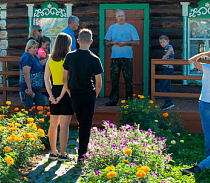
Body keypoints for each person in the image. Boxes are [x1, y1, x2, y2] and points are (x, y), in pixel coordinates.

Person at [63, 29, 103, 162]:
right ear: (91, 41)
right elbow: (99, 83)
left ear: (78, 41)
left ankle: (81, 153)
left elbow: (65, 79)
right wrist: (95, 95)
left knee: (80, 122)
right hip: (88, 94)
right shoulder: (95, 59)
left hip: (74, 93)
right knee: (86, 125)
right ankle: (82, 155)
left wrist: (69, 92)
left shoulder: (70, 56)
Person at [44, 32, 74, 161]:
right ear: (67, 45)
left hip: (54, 90)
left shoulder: (50, 58)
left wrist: (51, 95)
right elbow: (66, 80)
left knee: (53, 124)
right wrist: (61, 96)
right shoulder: (69, 58)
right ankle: (62, 153)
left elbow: (46, 79)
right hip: (65, 93)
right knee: (64, 125)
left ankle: (53, 152)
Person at [104, 10, 139, 105]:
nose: (121, 18)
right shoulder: (112, 28)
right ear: (116, 17)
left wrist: (125, 43)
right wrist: (113, 42)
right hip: (115, 57)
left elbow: (137, 41)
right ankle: (113, 100)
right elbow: (106, 42)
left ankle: (130, 101)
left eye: (122, 16)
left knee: (128, 79)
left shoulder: (130, 28)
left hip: (127, 57)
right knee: (114, 79)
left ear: (125, 16)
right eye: (119, 16)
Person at [20, 39, 46, 112]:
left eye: (36, 48)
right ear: (28, 48)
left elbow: (39, 65)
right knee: (28, 107)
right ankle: (27, 122)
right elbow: (26, 73)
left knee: (41, 104)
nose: (35, 49)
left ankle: (39, 121)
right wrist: (29, 88)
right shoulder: (26, 57)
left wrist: (48, 59)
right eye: (33, 48)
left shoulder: (34, 56)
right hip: (28, 87)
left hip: (36, 87)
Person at [158, 35, 175, 110]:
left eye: (163, 42)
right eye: (161, 42)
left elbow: (171, 50)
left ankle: (169, 101)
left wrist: (164, 58)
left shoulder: (169, 47)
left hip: (168, 69)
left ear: (168, 41)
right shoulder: (166, 49)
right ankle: (168, 103)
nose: (162, 44)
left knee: (161, 86)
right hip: (166, 69)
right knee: (167, 87)